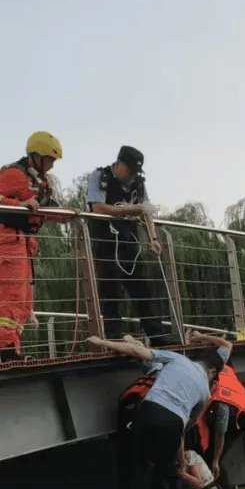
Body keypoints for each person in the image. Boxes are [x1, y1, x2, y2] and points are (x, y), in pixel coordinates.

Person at [89, 331, 232, 489]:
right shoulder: (204, 391)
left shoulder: (177, 358)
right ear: (212, 371)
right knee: (162, 481)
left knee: (132, 472)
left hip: (146, 412)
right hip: (171, 424)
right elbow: (185, 426)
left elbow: (138, 351)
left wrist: (102, 341)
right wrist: (181, 462)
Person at [0, 132, 72, 361]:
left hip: (25, 242)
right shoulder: (14, 175)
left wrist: (67, 216)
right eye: (49, 159)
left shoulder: (40, 182)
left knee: (23, 298)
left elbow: (43, 209)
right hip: (9, 237)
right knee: (12, 295)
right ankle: (5, 349)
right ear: (36, 156)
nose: (51, 165)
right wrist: (18, 204)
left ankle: (11, 346)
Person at [85, 144, 172, 343]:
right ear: (119, 165)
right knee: (111, 292)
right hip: (106, 243)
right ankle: (115, 339)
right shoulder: (99, 176)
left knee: (145, 290)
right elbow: (97, 208)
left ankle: (158, 338)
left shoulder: (138, 183)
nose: (132, 176)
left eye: (135, 172)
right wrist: (129, 210)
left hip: (131, 244)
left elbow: (145, 211)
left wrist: (153, 239)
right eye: (130, 170)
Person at [190, 347, 245, 489]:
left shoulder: (221, 403)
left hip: (236, 421)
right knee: (206, 453)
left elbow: (220, 433)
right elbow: (226, 344)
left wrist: (215, 459)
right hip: (238, 410)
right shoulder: (223, 366)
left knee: (212, 461)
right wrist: (202, 338)